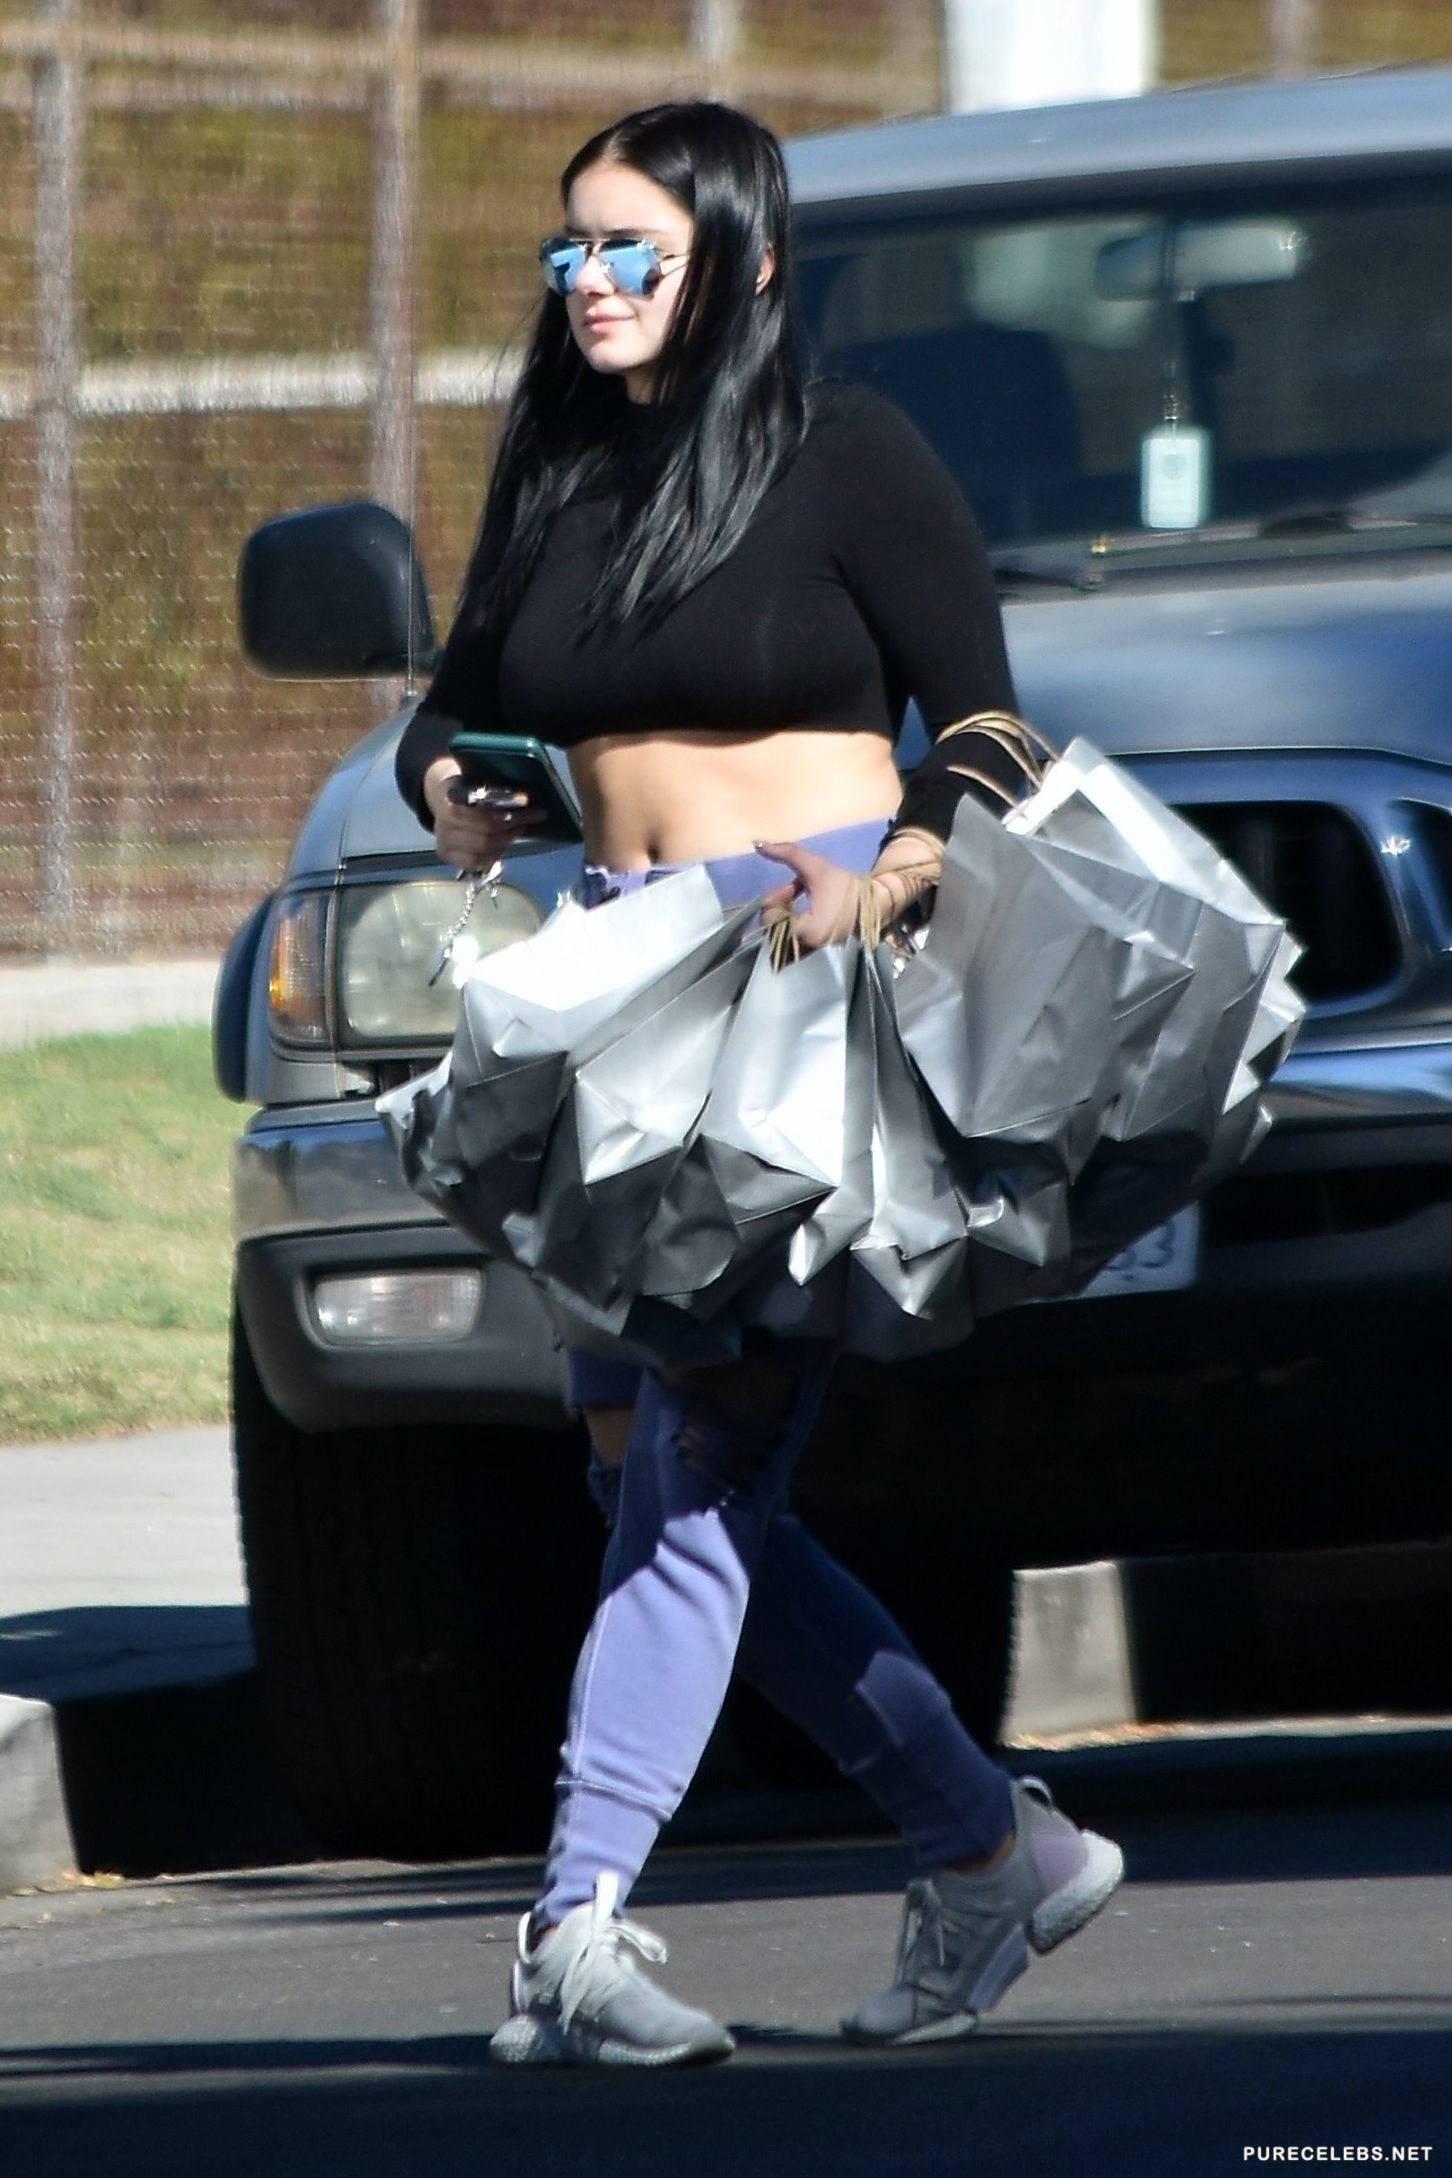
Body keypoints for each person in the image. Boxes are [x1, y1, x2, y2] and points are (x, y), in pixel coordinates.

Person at [394, 99, 1123, 2069]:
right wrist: (455, 785)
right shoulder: (559, 463)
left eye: (633, 249)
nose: (594, 283)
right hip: (614, 993)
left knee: (703, 1454)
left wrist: (902, 864)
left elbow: (985, 721)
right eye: (572, 250)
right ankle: (995, 1850)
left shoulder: (846, 452)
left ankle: (576, 1921)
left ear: (746, 258)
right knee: (646, 1469)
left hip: (804, 988)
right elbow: (461, 704)